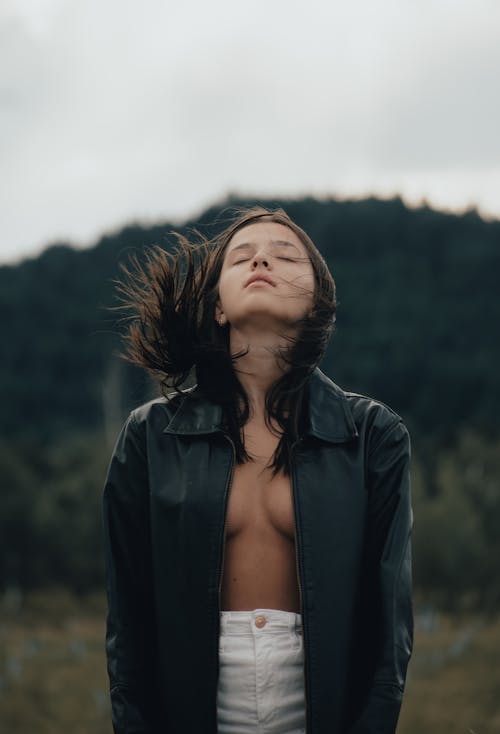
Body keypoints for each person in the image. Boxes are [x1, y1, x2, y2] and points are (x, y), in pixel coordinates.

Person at [102, 206, 414, 734]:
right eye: (241, 257)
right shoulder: (150, 437)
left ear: (316, 300)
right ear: (219, 307)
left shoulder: (373, 436)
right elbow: (128, 624)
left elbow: (389, 633)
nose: (262, 258)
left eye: (285, 254)